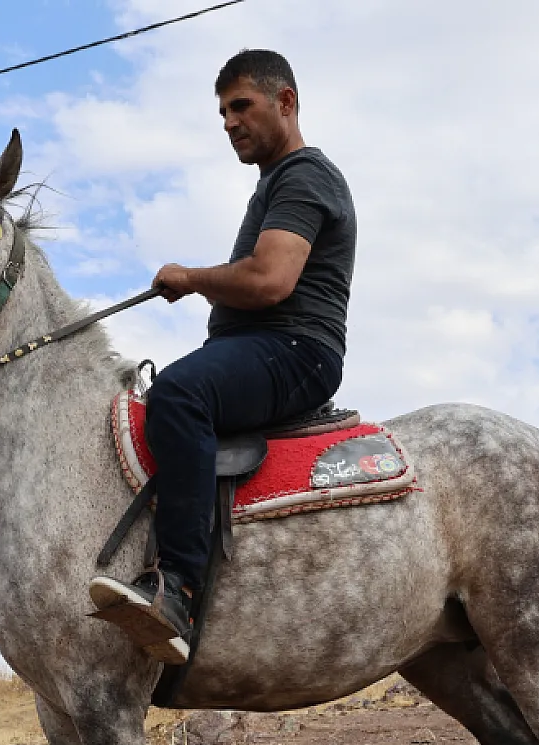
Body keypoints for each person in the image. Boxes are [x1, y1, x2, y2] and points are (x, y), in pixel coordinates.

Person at [88, 48, 357, 665]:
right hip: (262, 347)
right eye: (222, 113)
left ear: (285, 102)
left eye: (243, 106)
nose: (230, 122)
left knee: (180, 394)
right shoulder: (274, 183)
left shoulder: (304, 175)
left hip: (295, 350)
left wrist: (191, 277)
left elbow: (269, 281)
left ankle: (177, 589)